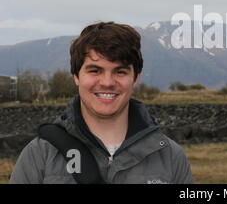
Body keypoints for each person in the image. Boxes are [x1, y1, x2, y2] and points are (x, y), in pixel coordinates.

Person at [9, 21, 194, 184]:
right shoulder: (40, 154)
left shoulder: (170, 157)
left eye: (120, 72)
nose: (107, 82)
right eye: (95, 71)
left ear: (135, 78)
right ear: (76, 76)